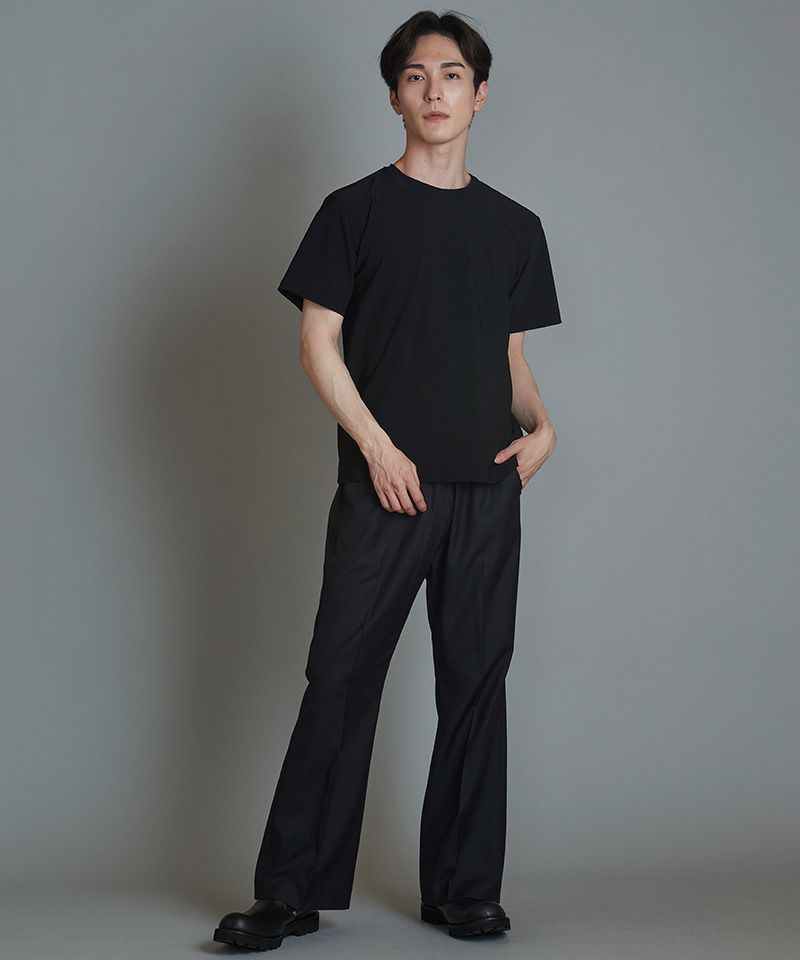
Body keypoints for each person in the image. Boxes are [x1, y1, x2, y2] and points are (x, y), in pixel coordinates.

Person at [213, 9, 562, 951]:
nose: (434, 90)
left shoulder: (514, 228)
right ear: (395, 96)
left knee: (476, 684)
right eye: (415, 76)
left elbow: (509, 360)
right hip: (386, 487)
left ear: (479, 95)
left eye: (452, 76)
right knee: (339, 677)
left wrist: (543, 425)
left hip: (486, 487)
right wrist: (376, 446)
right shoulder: (353, 211)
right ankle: (288, 891)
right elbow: (317, 343)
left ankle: (463, 890)